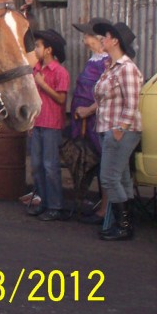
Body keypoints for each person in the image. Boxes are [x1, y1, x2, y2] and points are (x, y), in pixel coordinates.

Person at [88, 21, 143, 241]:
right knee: (122, 178)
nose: (102, 39)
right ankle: (124, 223)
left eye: (106, 36)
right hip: (109, 129)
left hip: (120, 131)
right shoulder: (111, 67)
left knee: (109, 178)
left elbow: (132, 103)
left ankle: (123, 225)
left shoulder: (126, 68)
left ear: (115, 41)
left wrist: (120, 129)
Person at [68, 17, 113, 224]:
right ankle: (92, 204)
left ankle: (105, 210)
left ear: (98, 38)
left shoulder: (106, 62)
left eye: (87, 35)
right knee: (88, 160)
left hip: (97, 121)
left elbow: (107, 94)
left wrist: (88, 110)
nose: (84, 38)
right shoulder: (94, 59)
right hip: (84, 121)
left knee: (104, 163)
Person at [27, 28, 69, 221]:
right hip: (37, 122)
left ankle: (55, 205)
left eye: (38, 46)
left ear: (49, 50)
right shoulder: (36, 69)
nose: (35, 49)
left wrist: (43, 85)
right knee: (36, 165)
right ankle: (43, 202)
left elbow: (61, 99)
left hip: (52, 124)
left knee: (50, 166)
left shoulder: (60, 72)